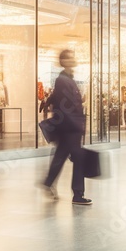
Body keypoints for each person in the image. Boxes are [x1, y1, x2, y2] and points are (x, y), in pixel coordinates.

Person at [40, 50, 92, 205]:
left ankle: (49, 182)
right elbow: (66, 106)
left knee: (61, 156)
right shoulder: (63, 80)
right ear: (64, 61)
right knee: (79, 159)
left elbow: (57, 99)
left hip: (68, 127)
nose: (73, 59)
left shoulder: (67, 79)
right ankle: (78, 194)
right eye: (70, 57)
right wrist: (78, 125)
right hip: (70, 128)